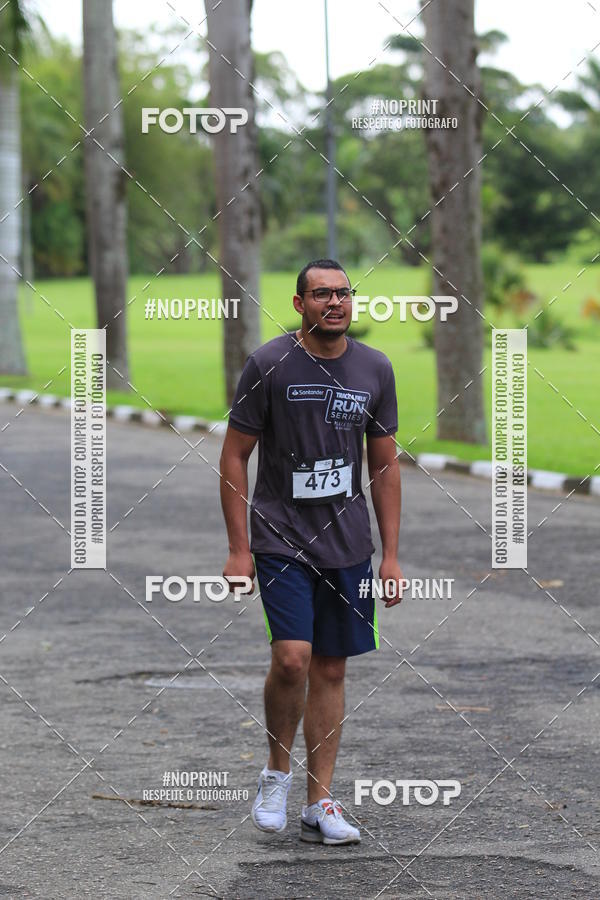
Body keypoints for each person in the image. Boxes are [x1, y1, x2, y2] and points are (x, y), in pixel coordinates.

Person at [220, 258, 403, 845]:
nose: (336, 302)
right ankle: (276, 771)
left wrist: (391, 556)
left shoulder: (375, 368)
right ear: (299, 304)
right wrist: (238, 548)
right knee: (293, 657)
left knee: (330, 665)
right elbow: (233, 457)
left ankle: (319, 802)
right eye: (321, 294)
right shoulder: (269, 364)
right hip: (280, 537)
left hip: (348, 546)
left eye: (344, 293)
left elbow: (385, 466)